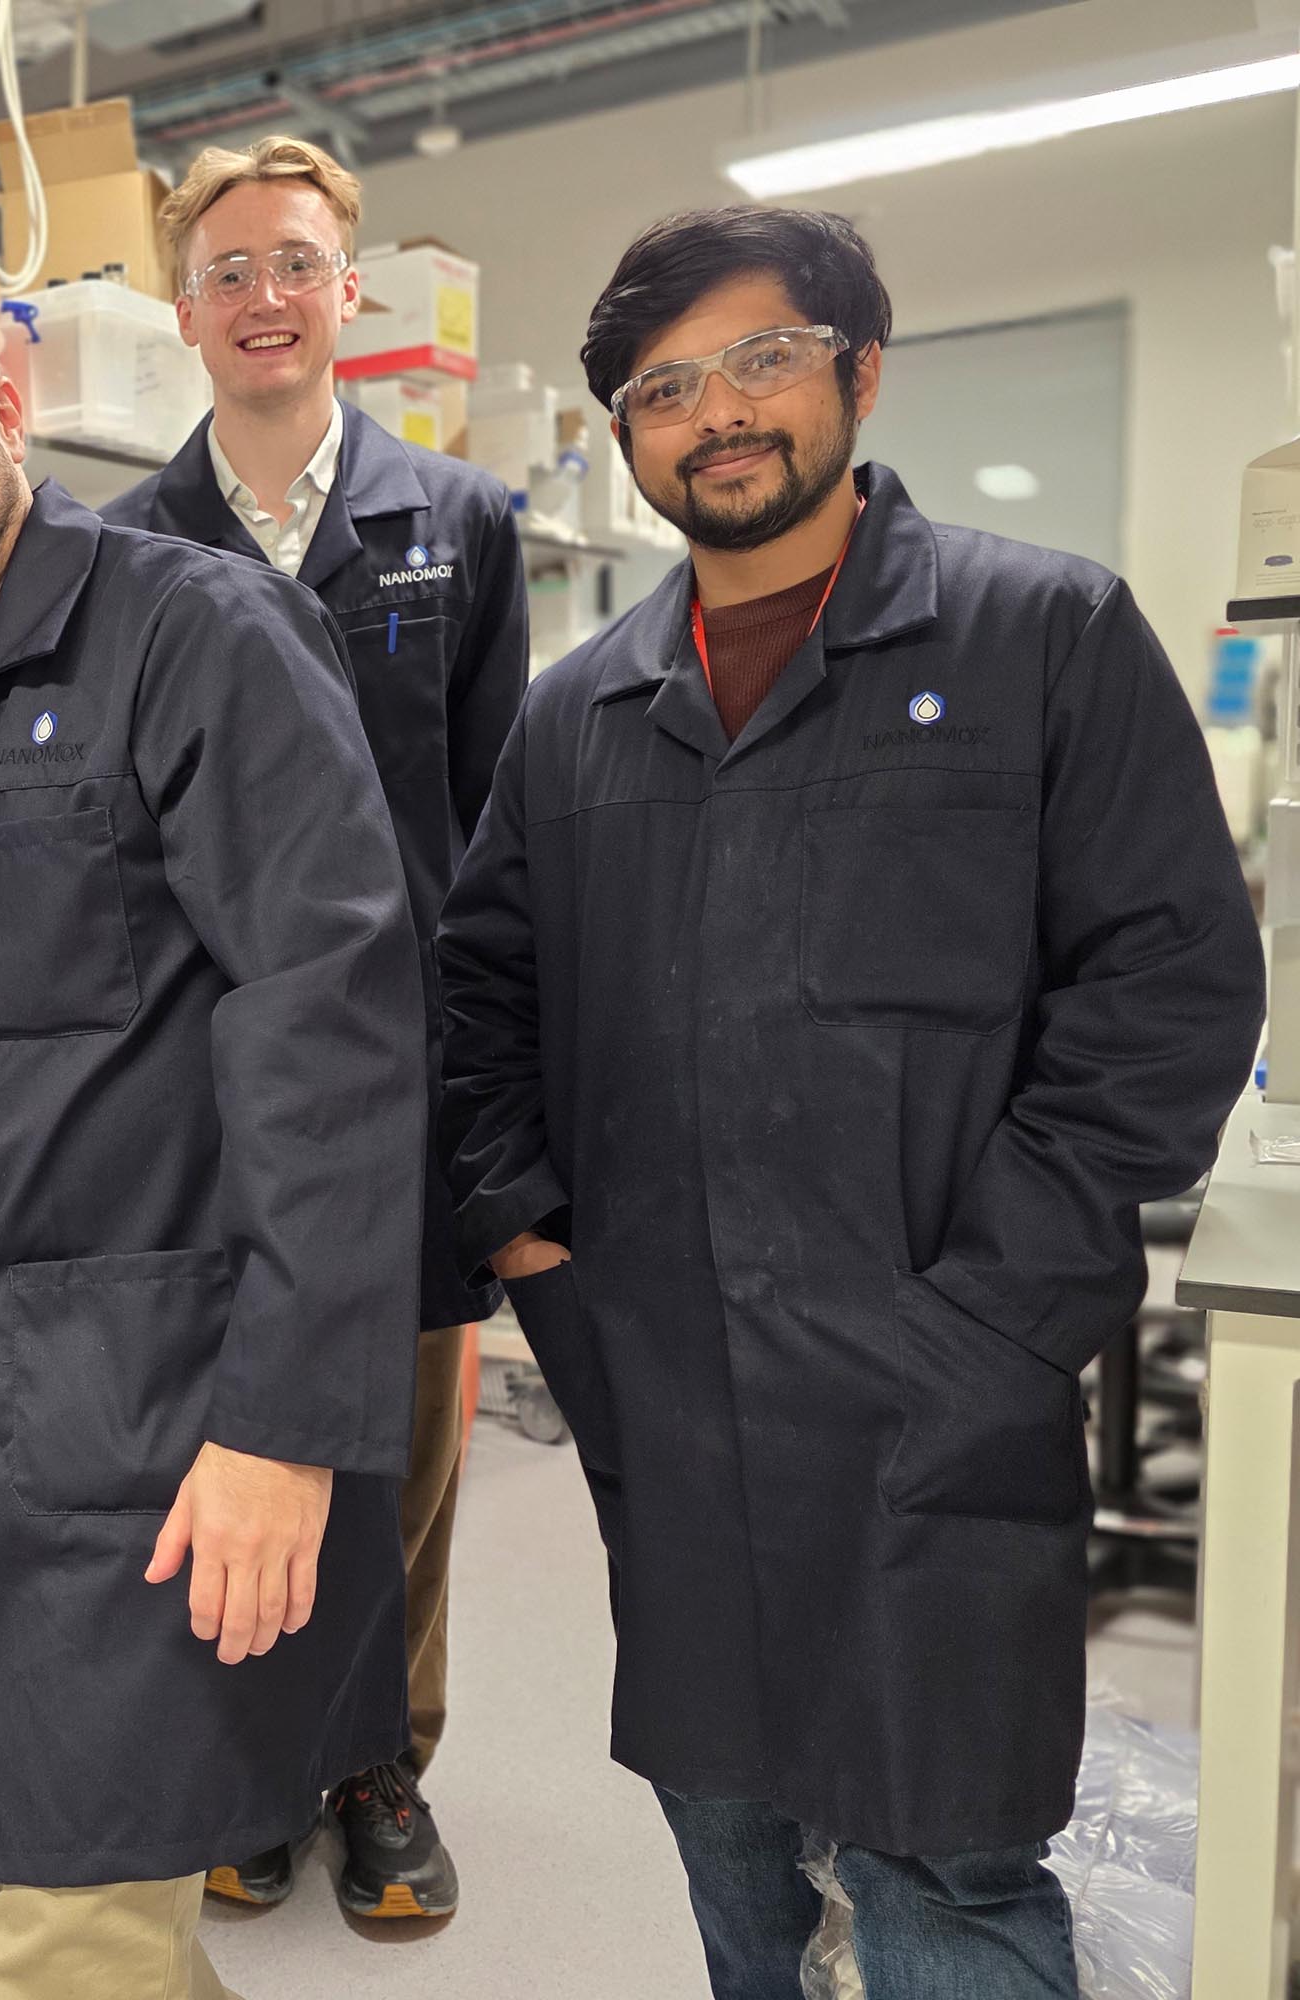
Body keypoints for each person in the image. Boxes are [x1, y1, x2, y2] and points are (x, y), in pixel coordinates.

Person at [437, 207, 1265, 2000]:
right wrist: (534, 1251)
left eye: (760, 360)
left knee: (944, 1870)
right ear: (627, 438)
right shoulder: (583, 713)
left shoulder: (1044, 636)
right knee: (728, 1835)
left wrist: (998, 1312)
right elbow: (475, 999)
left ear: (860, 372)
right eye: (663, 387)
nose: (715, 413)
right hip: (666, 1386)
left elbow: (1169, 994)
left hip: (939, 1389)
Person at [0, 262, 424, 2000]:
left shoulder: (196, 634)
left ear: (3, 404)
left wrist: (283, 1428)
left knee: (77, 1928)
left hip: (142, 1412)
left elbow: (329, 1041)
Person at [101, 134, 523, 1922]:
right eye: (227, 272)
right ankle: (258, 1763)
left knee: (398, 1454)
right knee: (231, 1433)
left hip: (404, 1077)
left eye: (294, 263)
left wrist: (508, 1112)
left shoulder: (460, 522)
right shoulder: (125, 547)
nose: (263, 298)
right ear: (184, 313)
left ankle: (383, 1770)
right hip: (202, 1084)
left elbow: (504, 837)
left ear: (350, 292)